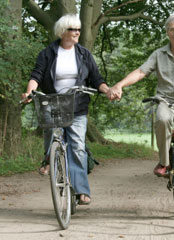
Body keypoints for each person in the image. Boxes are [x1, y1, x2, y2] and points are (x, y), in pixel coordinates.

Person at [109, 14, 174, 209]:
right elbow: (141, 72)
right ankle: (164, 162)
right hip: (165, 100)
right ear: (167, 32)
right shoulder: (159, 54)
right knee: (162, 118)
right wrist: (120, 84)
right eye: (172, 30)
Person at [22, 14, 110, 205]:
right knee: (51, 133)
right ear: (62, 32)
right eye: (72, 29)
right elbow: (36, 76)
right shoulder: (47, 53)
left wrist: (108, 90)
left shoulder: (84, 54)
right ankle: (49, 158)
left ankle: (81, 190)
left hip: (77, 106)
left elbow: (96, 79)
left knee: (77, 146)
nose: (77, 32)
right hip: (53, 103)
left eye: (78, 29)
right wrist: (30, 92)